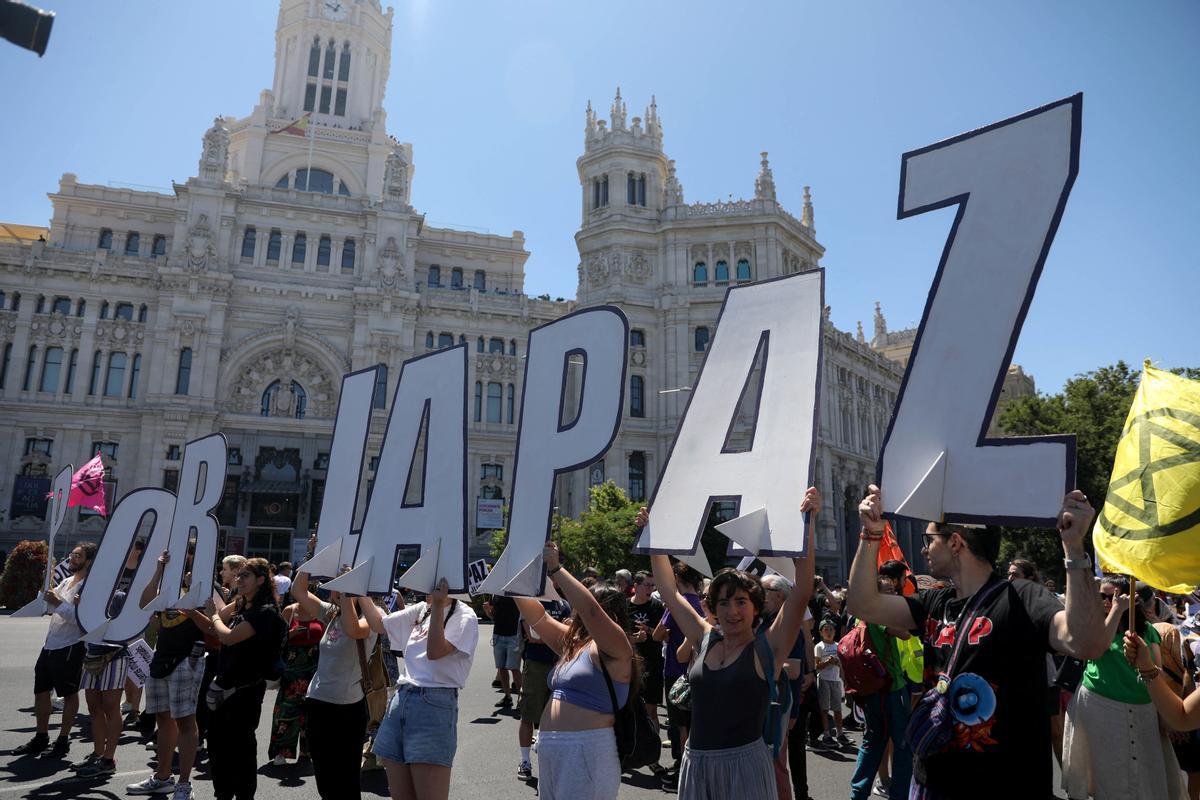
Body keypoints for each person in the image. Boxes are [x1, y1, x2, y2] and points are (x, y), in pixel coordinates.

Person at [845, 485, 1110, 800]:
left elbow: (1086, 643)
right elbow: (863, 605)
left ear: (955, 542)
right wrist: (871, 534)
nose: (924, 550)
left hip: (1006, 786)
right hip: (935, 783)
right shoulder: (935, 602)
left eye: (929, 540)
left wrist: (1074, 547)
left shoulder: (1022, 597)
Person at [644, 487, 820, 800]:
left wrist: (807, 527)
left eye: (741, 602)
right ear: (713, 607)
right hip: (696, 765)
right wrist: (654, 538)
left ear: (756, 607)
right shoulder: (704, 637)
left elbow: (802, 592)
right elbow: (668, 590)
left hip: (746, 769)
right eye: (723, 603)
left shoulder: (768, 647)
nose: (732, 611)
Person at [508, 544, 636, 799]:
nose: (575, 607)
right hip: (552, 748)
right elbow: (539, 618)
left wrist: (556, 569)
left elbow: (590, 610)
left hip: (587, 750)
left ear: (609, 614)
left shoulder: (618, 646)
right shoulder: (575, 642)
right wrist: (512, 578)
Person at [1062, 576, 1184, 799]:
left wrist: (1165, 713)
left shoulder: (1146, 630)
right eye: (1103, 596)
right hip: (1100, 708)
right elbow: (1097, 649)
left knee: (1146, 775)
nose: (1108, 601)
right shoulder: (1093, 625)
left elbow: (1156, 672)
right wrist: (1116, 611)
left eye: (1114, 596)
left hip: (1142, 709)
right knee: (1107, 773)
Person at [361, 577, 479, 800]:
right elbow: (379, 624)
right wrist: (358, 590)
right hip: (402, 699)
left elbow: (435, 651)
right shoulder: (421, 609)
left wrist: (436, 606)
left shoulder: (464, 615)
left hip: (434, 704)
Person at [285, 565, 377, 800]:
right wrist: (312, 560)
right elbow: (299, 590)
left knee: (346, 781)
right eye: (337, 584)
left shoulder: (372, 618)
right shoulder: (331, 613)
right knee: (325, 780)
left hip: (348, 708)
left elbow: (353, 629)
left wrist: (348, 592)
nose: (336, 588)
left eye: (343, 583)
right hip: (318, 702)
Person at [128, 549, 209, 800]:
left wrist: (191, 595)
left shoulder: (204, 582)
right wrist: (159, 571)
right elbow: (144, 603)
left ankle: (184, 784)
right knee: (163, 719)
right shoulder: (167, 584)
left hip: (188, 658)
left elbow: (212, 624)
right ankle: (163, 778)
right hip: (161, 657)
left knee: (185, 720)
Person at [204, 557, 286, 800]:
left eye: (245, 576)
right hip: (225, 687)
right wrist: (230, 605)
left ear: (261, 580)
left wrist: (214, 616)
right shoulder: (244, 605)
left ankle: (242, 796)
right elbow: (220, 616)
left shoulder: (266, 612)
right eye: (237, 575)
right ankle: (223, 794)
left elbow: (227, 636)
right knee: (218, 748)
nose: (239, 579)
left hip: (246, 693)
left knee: (240, 751)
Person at [14, 542, 95, 758]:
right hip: (50, 644)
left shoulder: (90, 587)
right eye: (72, 554)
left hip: (70, 646)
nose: (72, 559)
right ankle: (41, 736)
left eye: (78, 555)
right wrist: (45, 586)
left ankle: (63, 740)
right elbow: (49, 606)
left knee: (69, 694)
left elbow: (82, 620)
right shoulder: (67, 581)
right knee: (41, 692)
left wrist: (58, 602)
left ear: (88, 561)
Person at [848, 562, 913, 800]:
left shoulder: (861, 616)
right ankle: (900, 794)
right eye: (889, 592)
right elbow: (905, 632)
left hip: (871, 689)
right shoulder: (880, 613)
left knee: (872, 741)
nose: (894, 595)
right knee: (903, 745)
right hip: (891, 687)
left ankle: (858, 792)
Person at [654, 559, 704, 788]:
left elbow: (658, 634)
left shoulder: (678, 604)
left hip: (675, 669)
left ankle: (683, 769)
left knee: (679, 725)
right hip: (697, 670)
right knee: (693, 722)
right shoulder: (704, 604)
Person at [71, 590, 129, 778]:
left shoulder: (119, 596)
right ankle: (98, 753)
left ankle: (108, 759)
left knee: (111, 707)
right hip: (92, 655)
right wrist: (80, 609)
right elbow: (82, 629)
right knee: (94, 707)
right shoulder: (87, 595)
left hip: (115, 655)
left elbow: (127, 627)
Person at [268, 580, 325, 765]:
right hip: (292, 669)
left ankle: (307, 751)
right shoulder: (290, 610)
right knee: (286, 710)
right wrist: (290, 635)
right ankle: (281, 752)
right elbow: (276, 638)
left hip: (315, 668)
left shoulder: (323, 612)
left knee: (311, 712)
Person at [515, 592, 571, 780]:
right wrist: (557, 633)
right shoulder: (532, 603)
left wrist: (549, 635)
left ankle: (549, 763)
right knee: (528, 713)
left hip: (559, 664)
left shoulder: (563, 605)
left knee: (555, 716)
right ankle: (525, 761)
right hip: (536, 663)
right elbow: (531, 635)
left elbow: (568, 636)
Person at [628, 570, 666, 751]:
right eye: (647, 585)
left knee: (651, 710)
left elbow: (665, 635)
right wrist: (634, 639)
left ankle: (653, 752)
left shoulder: (657, 607)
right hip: (629, 664)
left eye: (652, 585)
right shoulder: (625, 606)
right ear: (635, 586)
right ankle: (630, 750)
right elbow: (615, 634)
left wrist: (649, 631)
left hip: (653, 662)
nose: (650, 589)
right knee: (628, 710)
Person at [483, 594, 522, 708]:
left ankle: (521, 699)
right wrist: (487, 611)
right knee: (501, 668)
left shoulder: (515, 592)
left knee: (514, 668)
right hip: (498, 636)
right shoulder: (495, 594)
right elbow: (493, 617)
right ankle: (508, 697)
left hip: (514, 636)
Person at [813, 619, 847, 747]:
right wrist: (828, 662)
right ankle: (827, 735)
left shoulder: (838, 645)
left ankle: (840, 733)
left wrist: (842, 674)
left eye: (831, 629)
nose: (828, 632)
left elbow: (842, 664)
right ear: (821, 632)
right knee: (824, 709)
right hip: (823, 680)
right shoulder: (819, 646)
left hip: (835, 681)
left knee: (838, 709)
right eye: (825, 629)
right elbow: (817, 666)